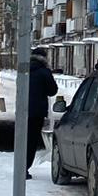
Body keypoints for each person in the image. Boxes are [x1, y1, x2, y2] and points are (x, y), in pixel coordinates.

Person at [25, 48, 59, 180]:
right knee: (32, 141)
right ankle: (24, 168)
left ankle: (21, 167)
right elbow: (52, 90)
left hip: (23, 110)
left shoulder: (24, 70)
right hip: (37, 111)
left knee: (23, 139)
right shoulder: (44, 72)